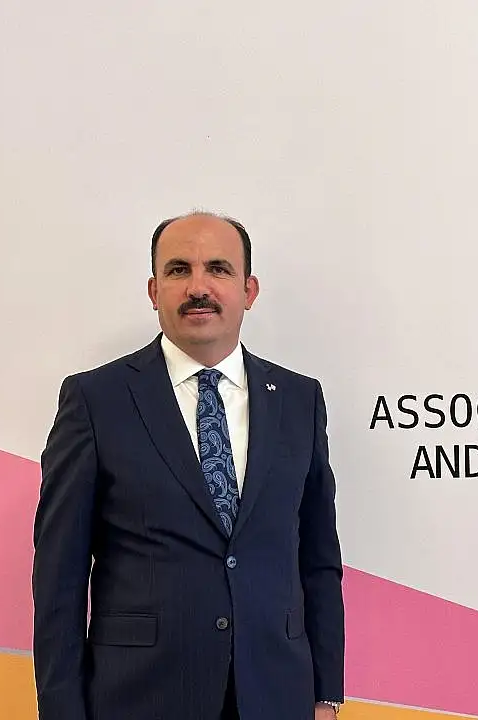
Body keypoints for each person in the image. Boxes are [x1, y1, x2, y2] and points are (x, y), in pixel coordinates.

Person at [32, 211, 345, 720]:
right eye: (179, 270)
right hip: (140, 698)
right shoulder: (96, 400)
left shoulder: (298, 400)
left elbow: (318, 558)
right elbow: (58, 578)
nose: (198, 287)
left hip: (277, 695)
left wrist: (326, 694)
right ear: (154, 290)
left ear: (249, 290)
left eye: (218, 269)